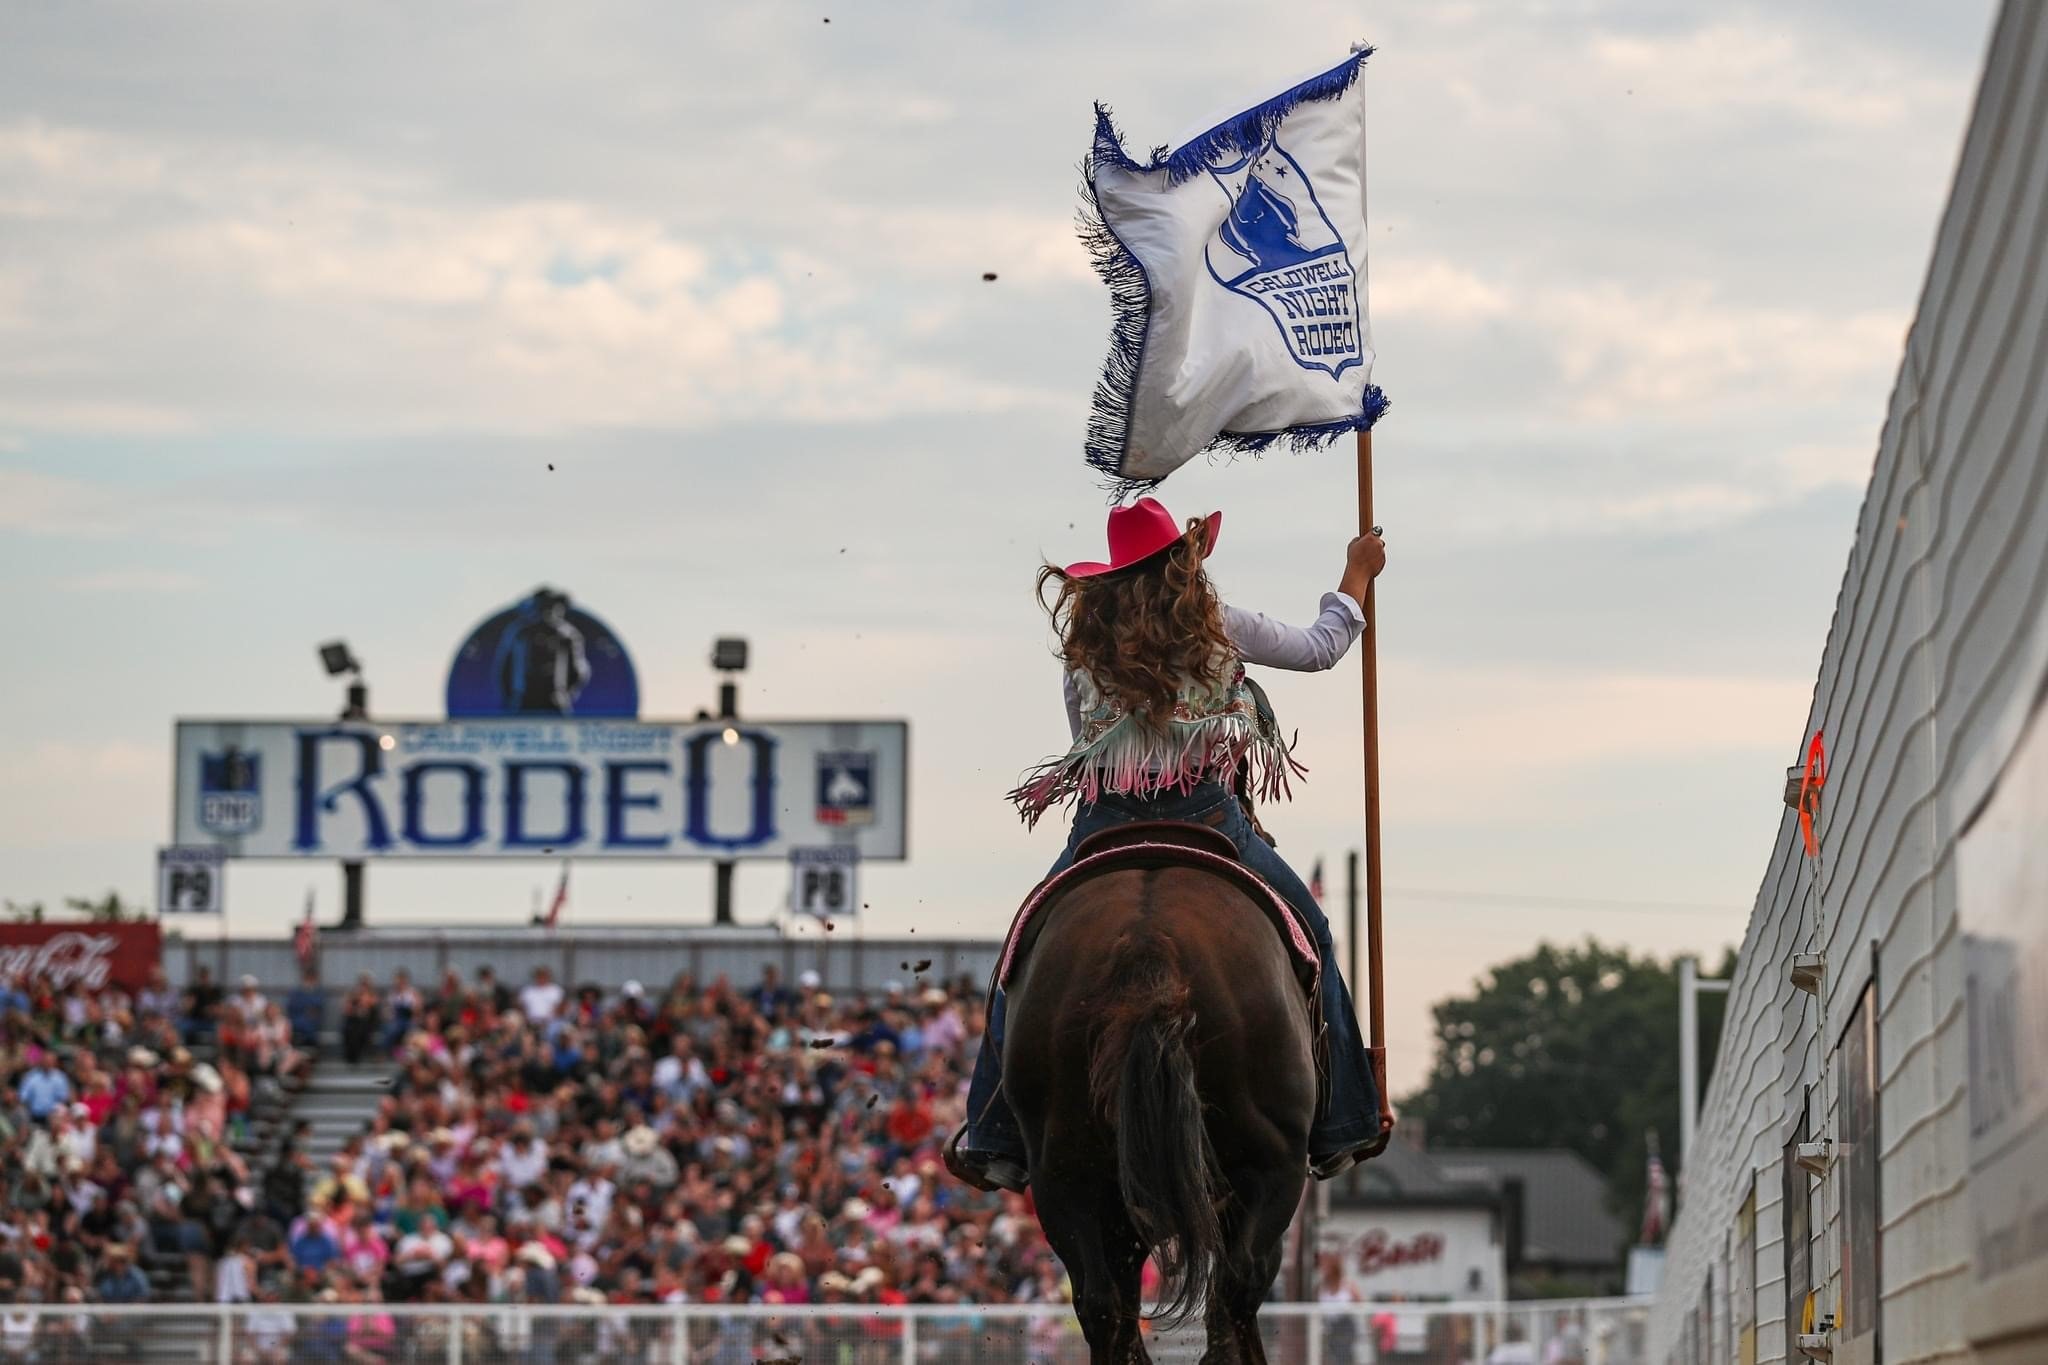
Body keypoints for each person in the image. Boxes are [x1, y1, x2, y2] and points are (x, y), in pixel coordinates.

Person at [947, 497, 1388, 1192]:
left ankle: (995, 1132)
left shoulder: (1083, 656)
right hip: (1209, 819)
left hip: (1106, 823)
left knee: (1021, 951)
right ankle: (1342, 1118)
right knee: (1315, 933)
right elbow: (1319, 647)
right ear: (1185, 564)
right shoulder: (1221, 628)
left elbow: (1084, 747)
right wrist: (1356, 572)